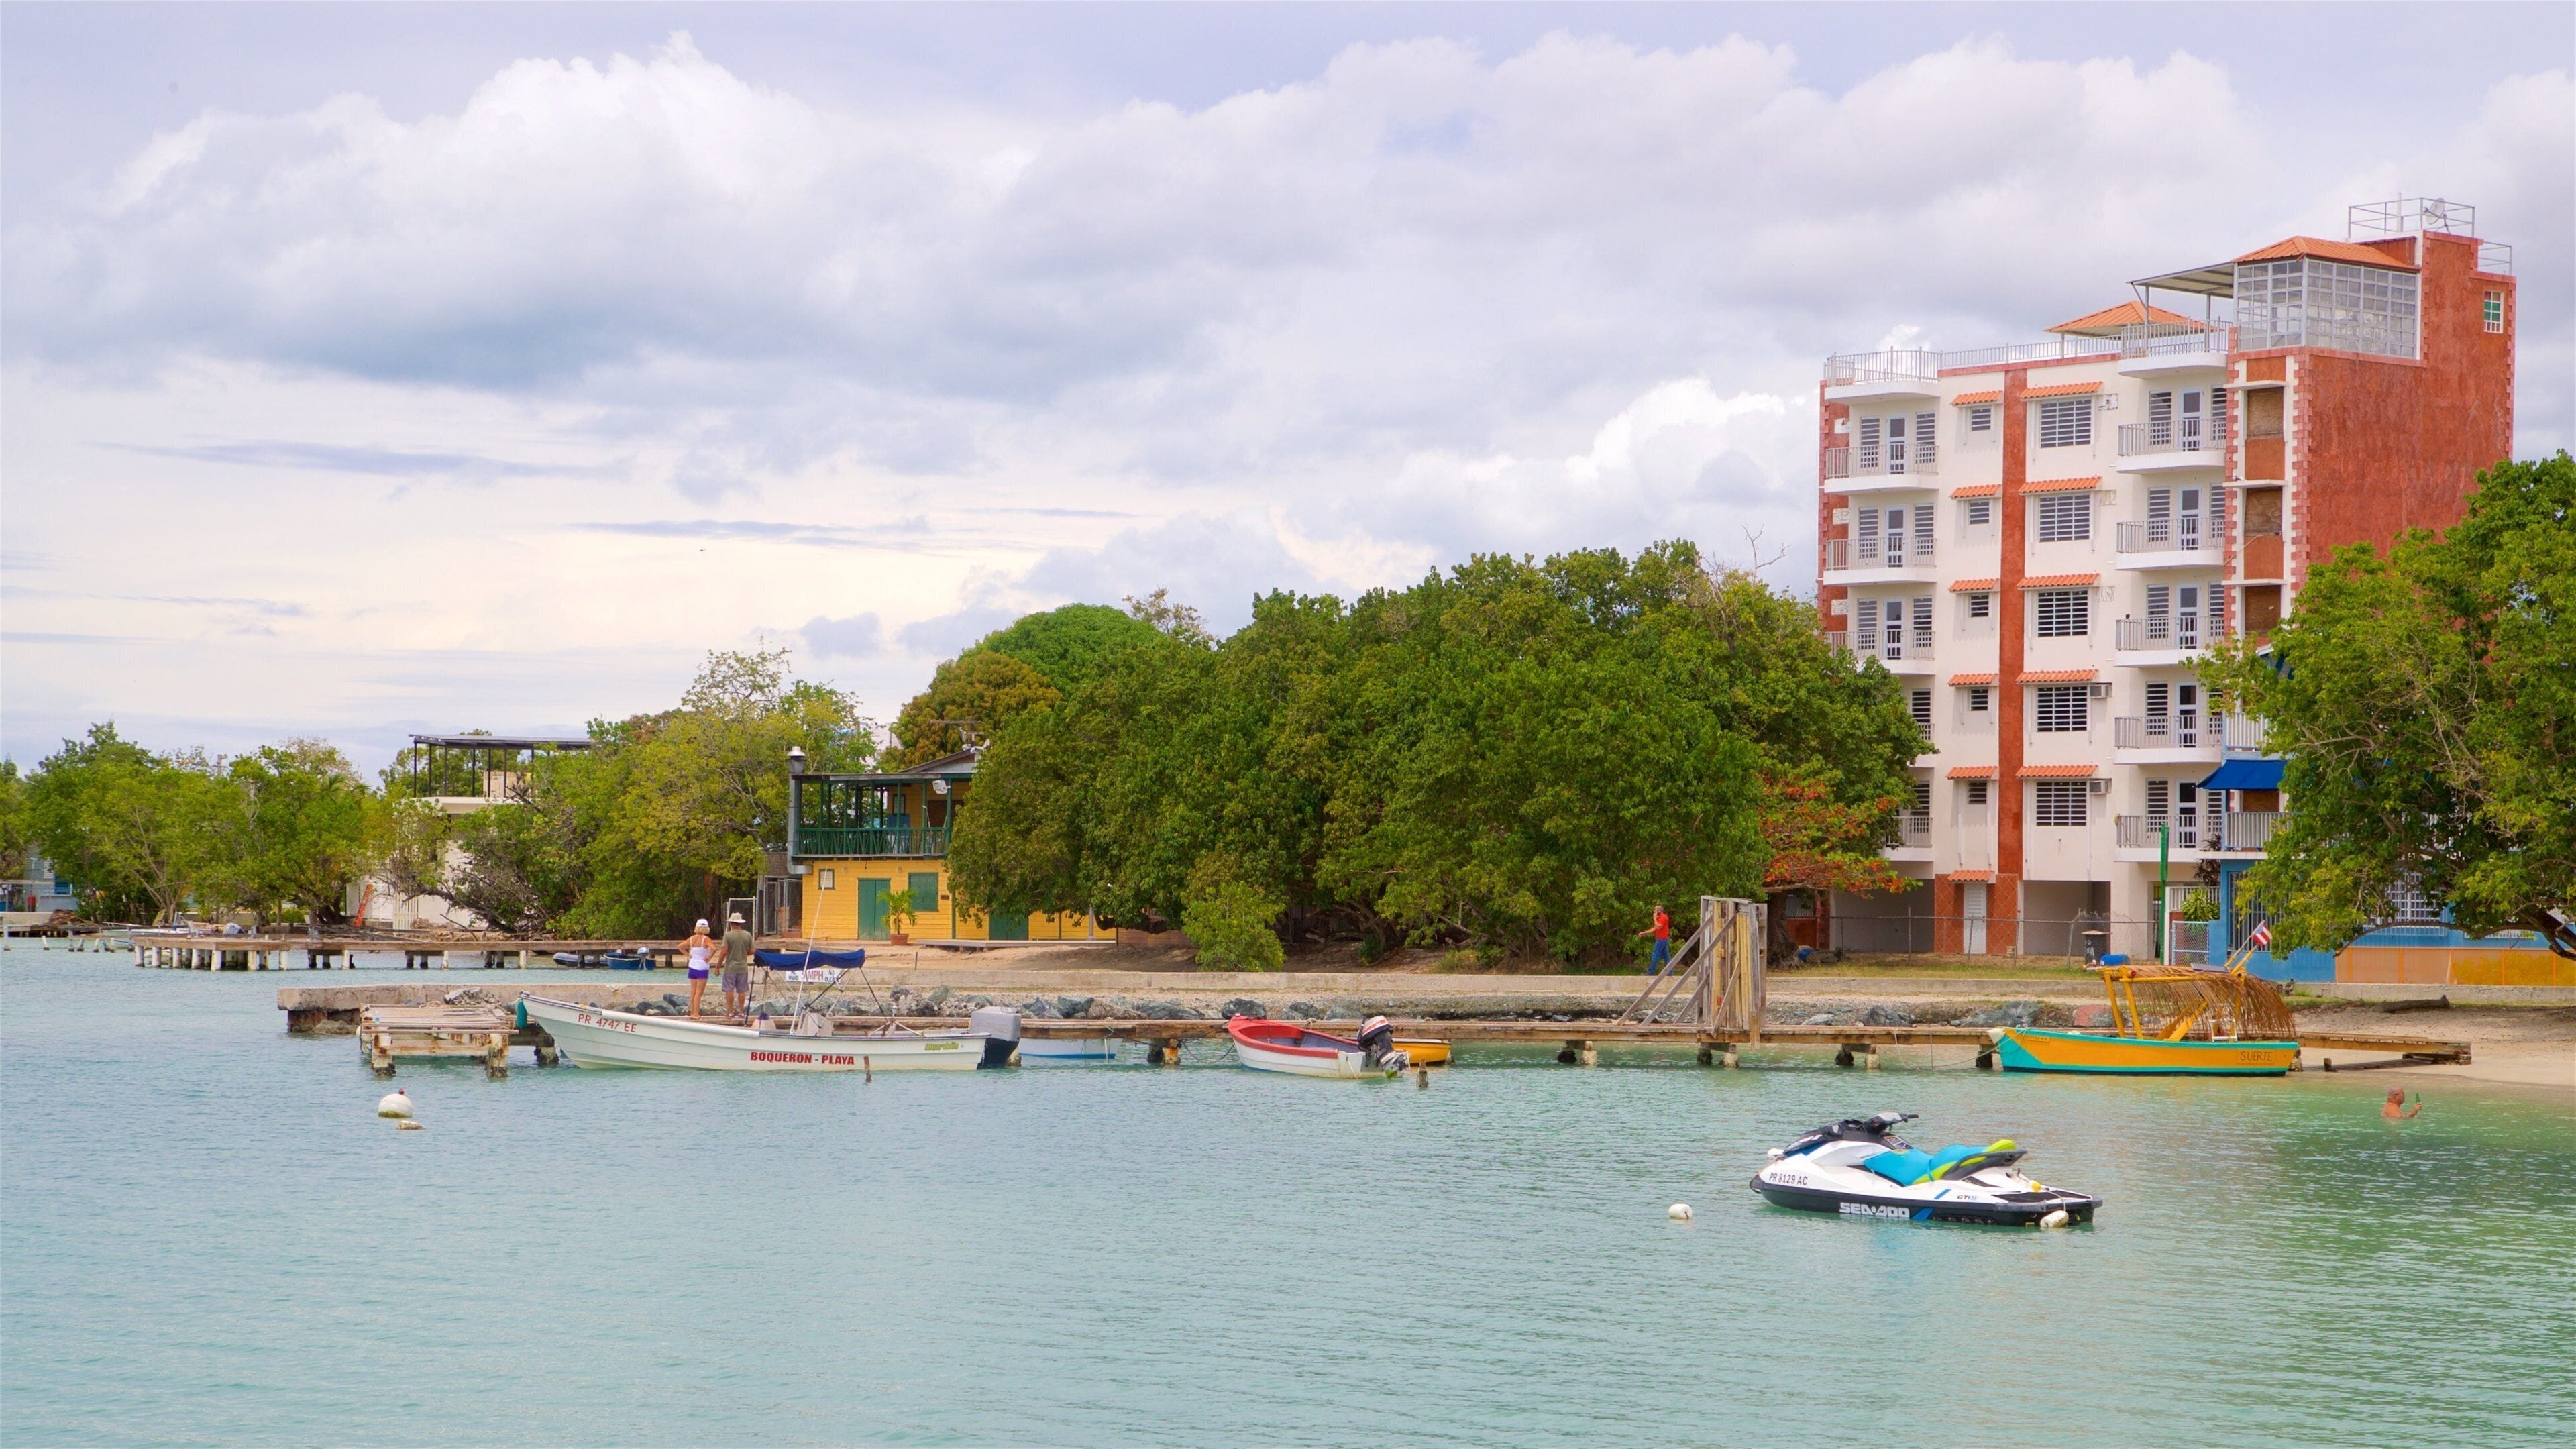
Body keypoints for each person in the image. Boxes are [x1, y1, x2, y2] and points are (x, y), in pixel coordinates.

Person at [720, 912, 755, 1019]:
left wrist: (718, 965)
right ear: (740, 923)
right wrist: (745, 953)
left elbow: (724, 951)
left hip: (730, 967)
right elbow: (753, 950)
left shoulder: (728, 936)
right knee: (742, 990)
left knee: (729, 990)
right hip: (743, 967)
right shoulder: (748, 935)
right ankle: (741, 1012)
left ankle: (731, 1012)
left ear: (731, 923)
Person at [683, 918, 716, 1018]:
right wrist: (709, 958)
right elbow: (714, 949)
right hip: (702, 966)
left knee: (693, 990)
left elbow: (680, 946)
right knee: (699, 991)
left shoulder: (692, 939)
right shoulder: (706, 939)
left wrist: (688, 955)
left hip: (692, 966)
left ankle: (692, 1012)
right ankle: (696, 1013)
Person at [1636, 904, 1673, 975]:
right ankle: (1670, 972)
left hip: (1661, 940)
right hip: (1662, 939)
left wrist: (1655, 919)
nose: (1654, 911)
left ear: (1659, 911)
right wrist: (1645, 933)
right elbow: (1655, 928)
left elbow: (1659, 927)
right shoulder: (1659, 918)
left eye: (1655, 910)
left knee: (1655, 955)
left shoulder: (1663, 918)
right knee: (1666, 957)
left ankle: (1650, 972)